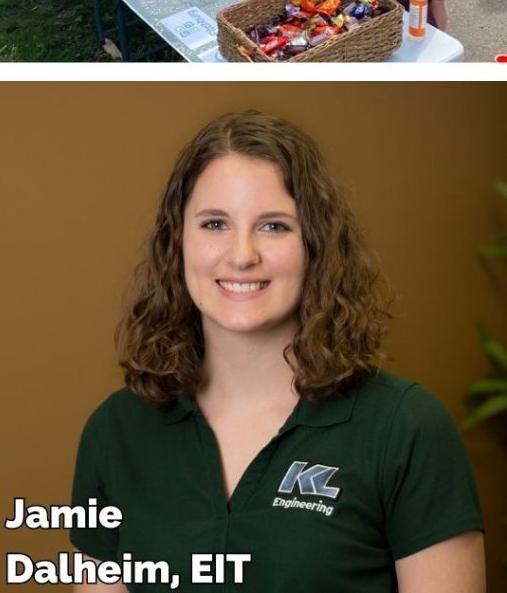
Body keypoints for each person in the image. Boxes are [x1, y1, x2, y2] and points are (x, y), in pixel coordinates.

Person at [70, 110, 486, 591]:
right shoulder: (114, 431)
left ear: (315, 243)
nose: (242, 254)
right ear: (177, 241)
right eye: (214, 224)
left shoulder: (405, 427)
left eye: (274, 226)